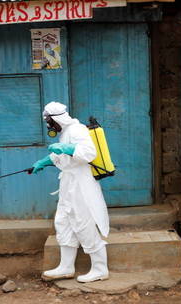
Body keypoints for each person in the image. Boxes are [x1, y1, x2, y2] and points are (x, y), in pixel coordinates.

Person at [32, 102, 110, 283]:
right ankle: (66, 267)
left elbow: (88, 153)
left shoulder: (77, 130)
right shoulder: (65, 133)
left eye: (50, 122)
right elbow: (61, 156)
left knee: (84, 225)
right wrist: (43, 162)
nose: (50, 126)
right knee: (63, 223)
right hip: (68, 184)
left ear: (58, 118)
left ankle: (100, 269)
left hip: (81, 186)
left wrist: (66, 148)